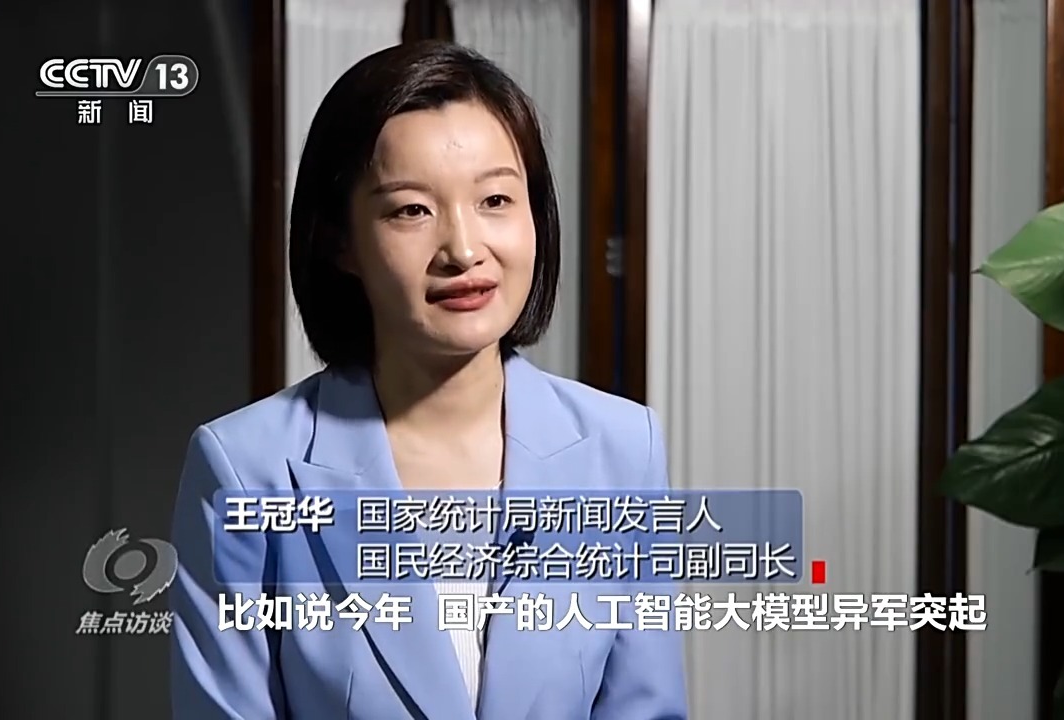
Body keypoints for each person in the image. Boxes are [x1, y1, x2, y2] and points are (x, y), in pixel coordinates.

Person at [168, 40, 687, 720]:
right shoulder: (245, 469)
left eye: (496, 199)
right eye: (411, 210)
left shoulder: (622, 448)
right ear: (341, 241)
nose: (464, 250)